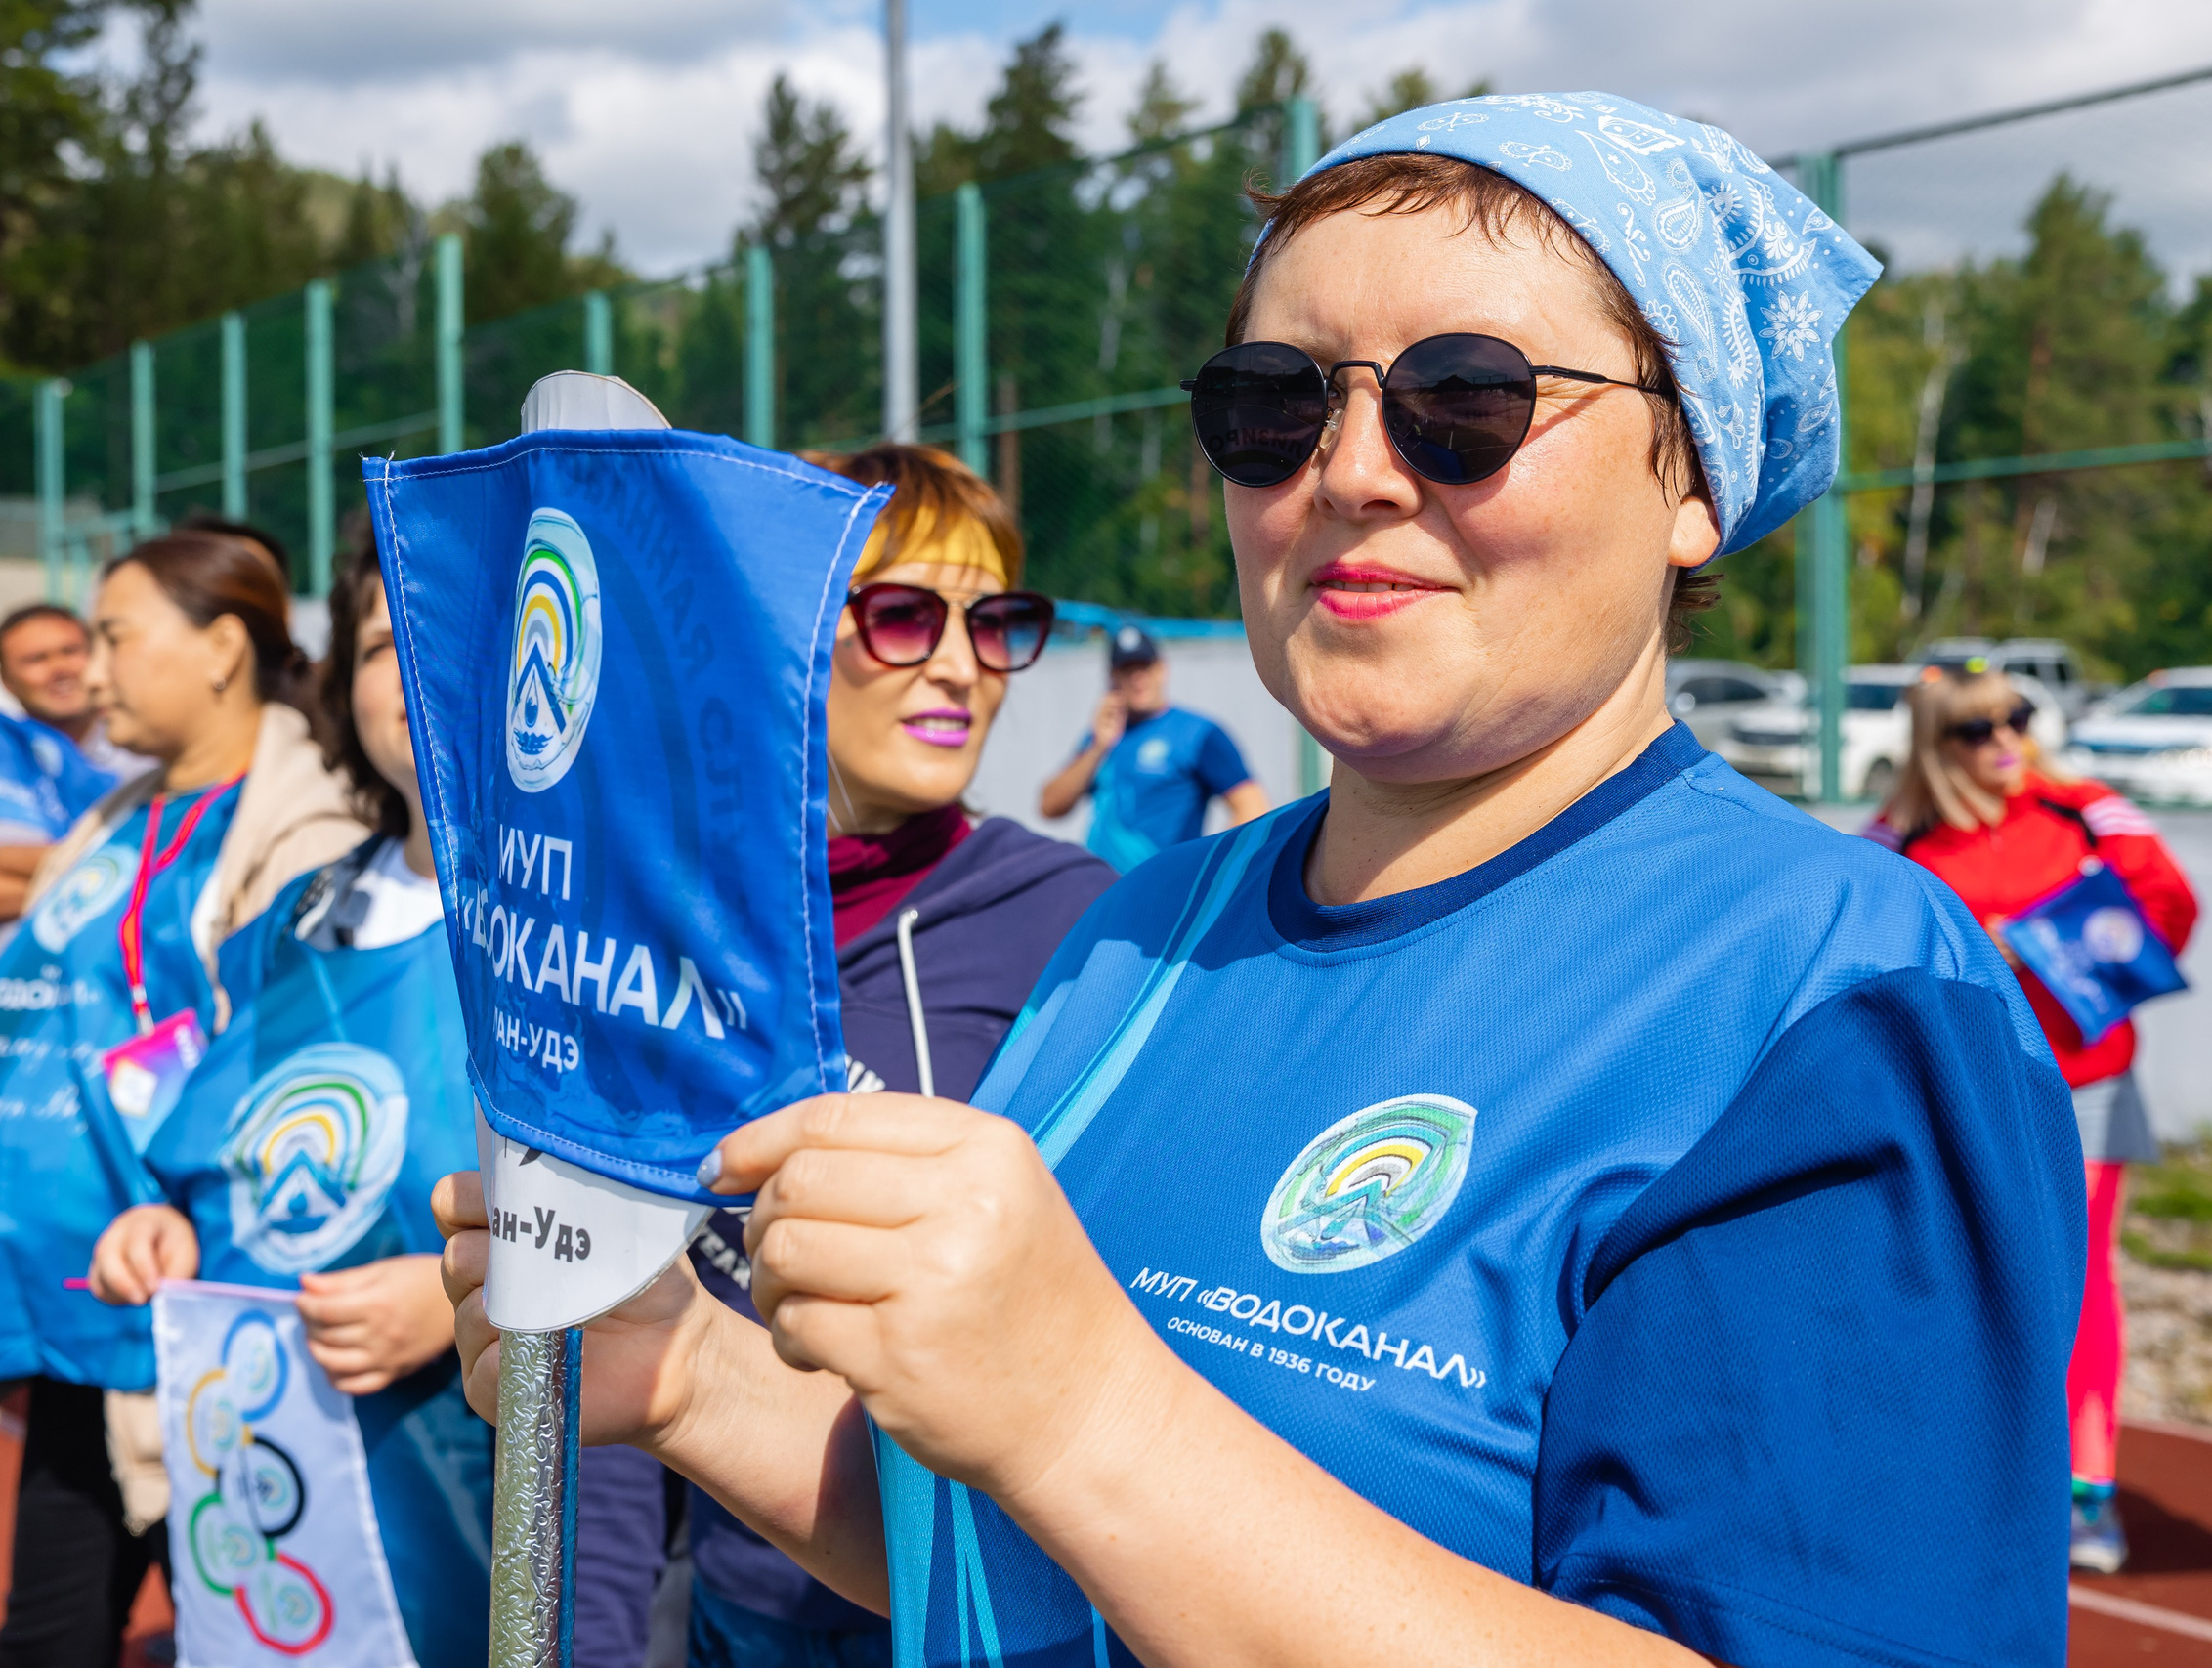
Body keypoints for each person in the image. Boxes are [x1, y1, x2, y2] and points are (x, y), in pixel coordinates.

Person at [435, 93, 2086, 1668]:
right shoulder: (1143, 935)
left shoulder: (1823, 986)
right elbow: (1020, 1559)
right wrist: (694, 1375)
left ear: (1695, 485)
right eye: (1275, 403)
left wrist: (1088, 1407)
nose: (1354, 470)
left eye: (1467, 400)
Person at [677, 443, 1115, 1668]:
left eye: (996, 624)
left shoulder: (1072, 923)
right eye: (903, 614)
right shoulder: (675, 922)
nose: (960, 666)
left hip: (974, 1609)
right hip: (737, 1591)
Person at [0, 530, 365, 1668]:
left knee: (236, 1633)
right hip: (73, 1299)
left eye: (116, 635)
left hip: (217, 1323)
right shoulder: (108, 819)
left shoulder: (308, 827)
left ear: (223, 647)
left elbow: (293, 1072)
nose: (88, 668)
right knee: (45, 1634)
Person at [87, 543, 495, 1666]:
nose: (417, 670)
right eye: (382, 644)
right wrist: (159, 1227)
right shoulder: (301, 917)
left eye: (464, 635)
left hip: (475, 1510)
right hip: (270, 1491)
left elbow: (674, 1223)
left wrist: (472, 1292)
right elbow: (208, 1158)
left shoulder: (582, 941)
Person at [1868, 668, 2198, 1574]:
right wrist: (1983, 946)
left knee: (2082, 1279)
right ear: (1939, 745)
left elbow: (2170, 907)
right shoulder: (1900, 837)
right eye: (1978, 728)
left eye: (2018, 717)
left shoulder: (2087, 809)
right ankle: (1969, 1471)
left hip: (2087, 1082)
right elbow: (1863, 940)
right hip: (1965, 1088)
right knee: (1961, 1275)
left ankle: (2086, 1493)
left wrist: (2058, 938)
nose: (2006, 738)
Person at [0, 603, 145, 972]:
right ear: (5, 680)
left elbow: (169, 874)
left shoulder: (145, 759)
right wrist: (110, 874)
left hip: (124, 998)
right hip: (16, 1007)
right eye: (35, 659)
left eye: (71, 651)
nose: (59, 669)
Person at [1039, 623, 1269, 871]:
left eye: (1144, 667)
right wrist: (1097, 747)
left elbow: (1252, 805)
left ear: (1161, 669)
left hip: (1162, 892)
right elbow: (1050, 806)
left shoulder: (1197, 733)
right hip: (1102, 891)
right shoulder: (1102, 736)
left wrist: (1208, 874)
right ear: (1112, 678)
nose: (1137, 678)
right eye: (1127, 670)